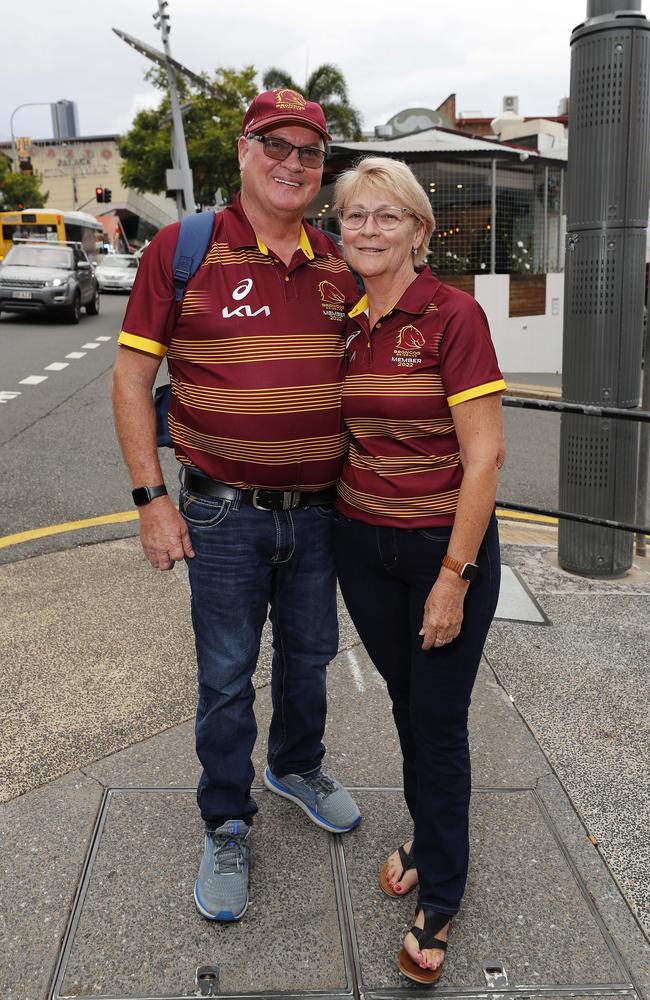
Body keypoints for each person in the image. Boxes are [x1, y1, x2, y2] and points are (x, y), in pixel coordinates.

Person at [111, 89, 361, 924]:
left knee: (310, 656)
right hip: (220, 514)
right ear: (244, 154)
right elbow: (129, 377)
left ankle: (295, 764)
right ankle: (225, 818)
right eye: (275, 145)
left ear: (323, 171)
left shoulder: (338, 264)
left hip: (321, 512)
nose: (293, 163)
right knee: (224, 678)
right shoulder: (184, 251)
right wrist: (152, 499)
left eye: (311, 152)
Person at [331, 158, 506, 983]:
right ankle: (425, 834)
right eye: (354, 217)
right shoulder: (349, 319)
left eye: (386, 216)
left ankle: (442, 888)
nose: (367, 230)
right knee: (407, 705)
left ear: (419, 230)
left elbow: (486, 456)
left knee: (438, 719)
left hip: (444, 548)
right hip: (362, 547)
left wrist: (455, 576)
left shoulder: (453, 316)